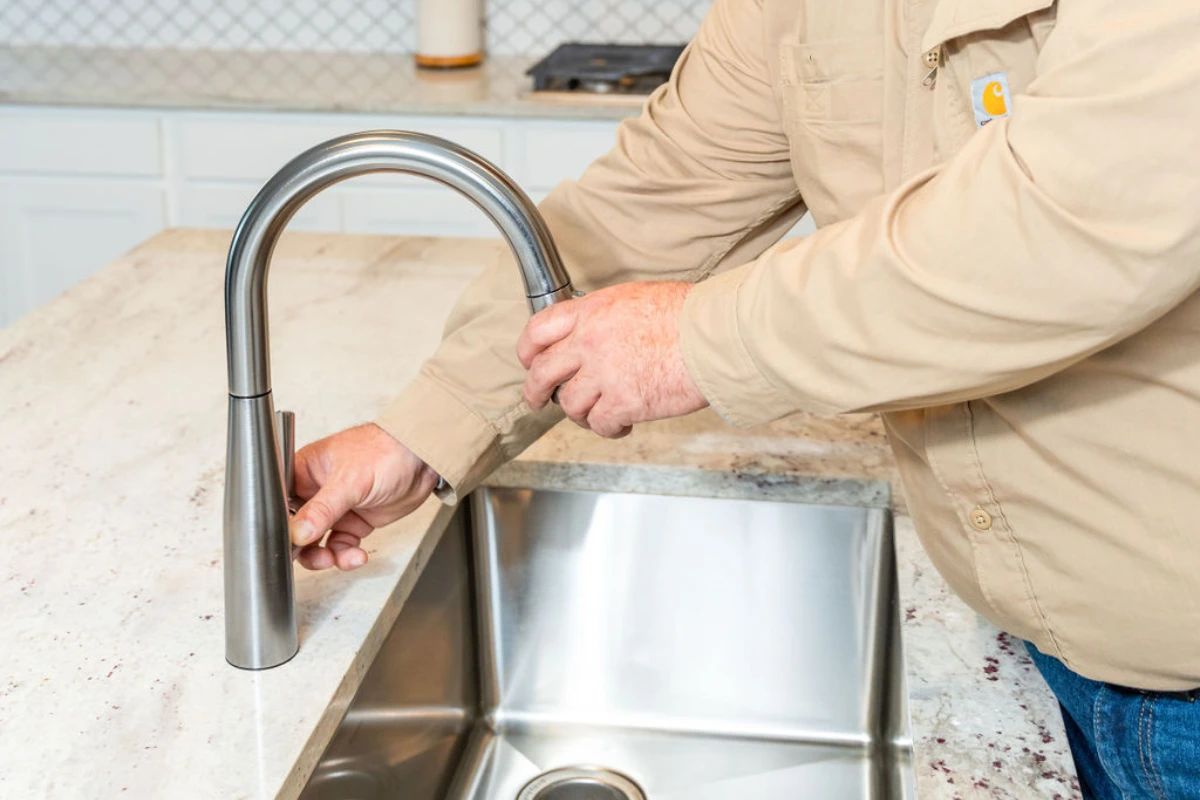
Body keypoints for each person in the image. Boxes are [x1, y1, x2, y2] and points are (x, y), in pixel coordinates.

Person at [286, 0, 1200, 796]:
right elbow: (655, 200)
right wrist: (425, 427)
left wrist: (692, 340)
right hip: (1051, 652)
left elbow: (1067, 220)